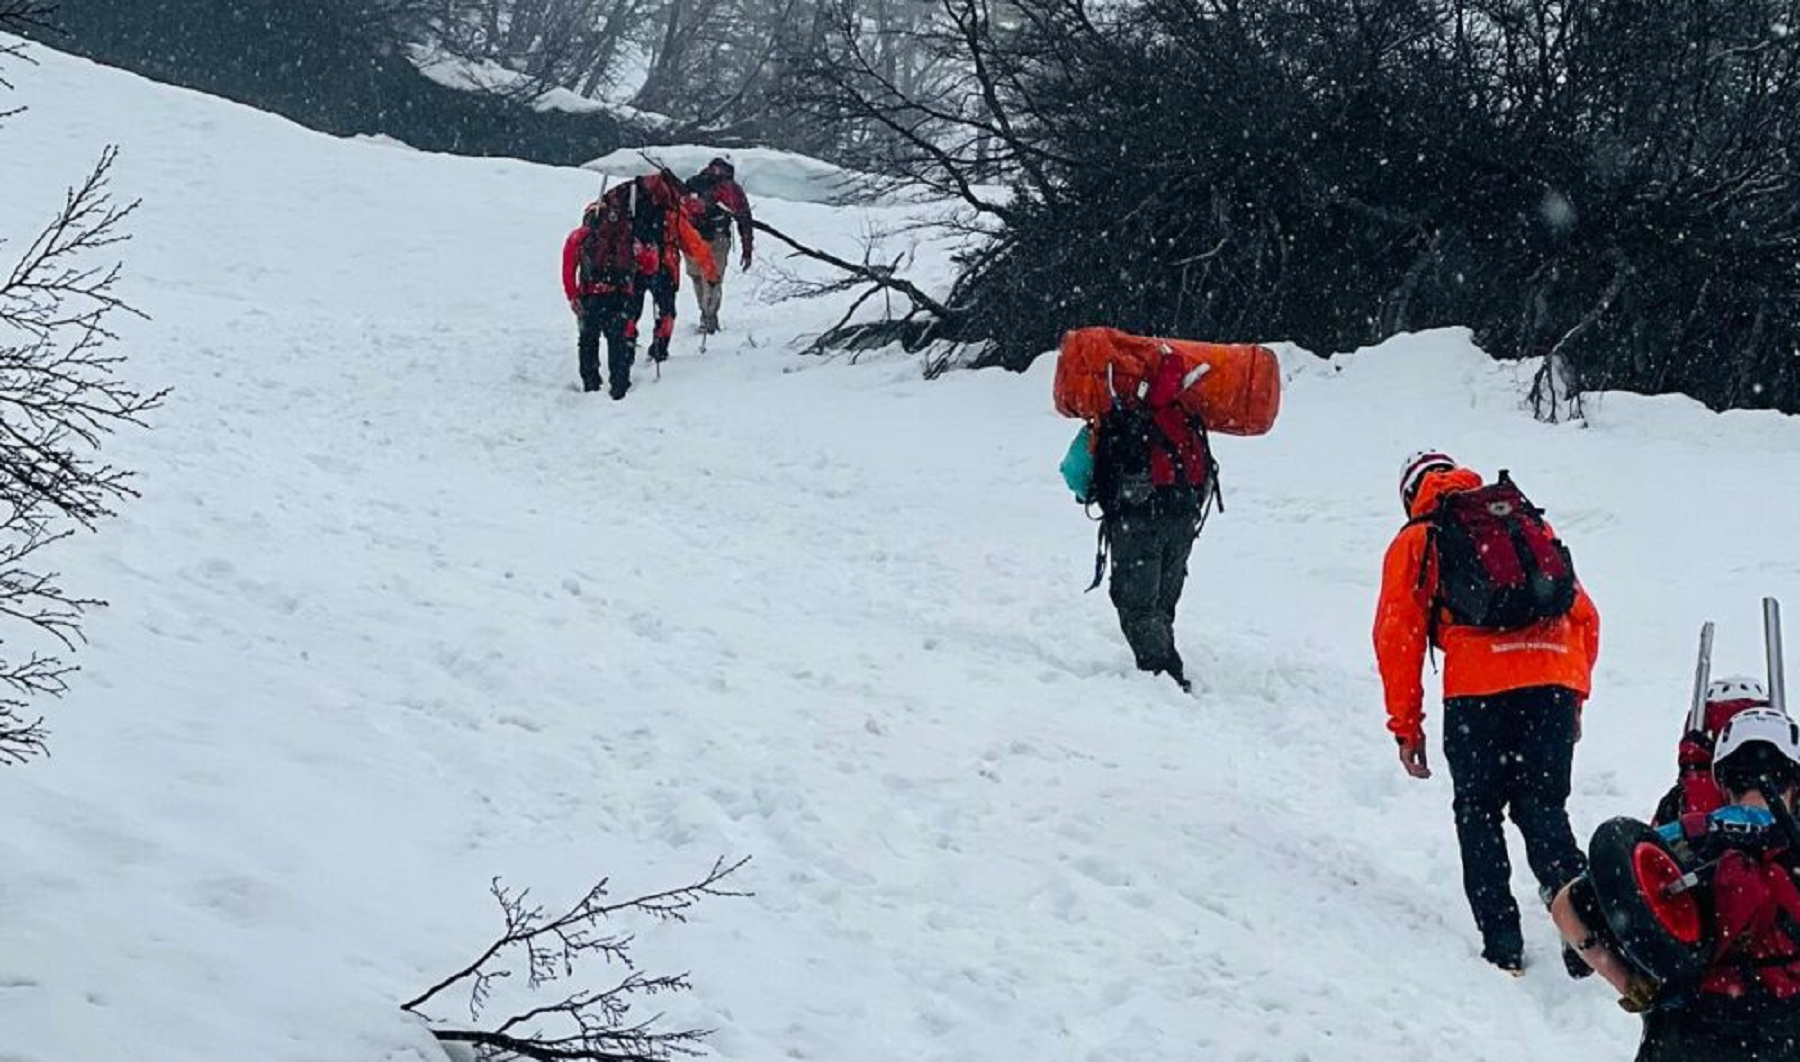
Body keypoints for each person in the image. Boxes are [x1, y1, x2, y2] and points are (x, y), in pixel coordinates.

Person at [1373, 450, 1600, 972]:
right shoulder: (1523, 519)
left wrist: (1407, 727)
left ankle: (1503, 945)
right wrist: (1575, 696)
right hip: (1553, 679)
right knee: (1544, 807)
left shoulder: (1420, 537)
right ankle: (1584, 935)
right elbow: (1584, 614)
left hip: (1479, 689)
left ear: (1412, 494)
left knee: (1478, 812)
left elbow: (1397, 639)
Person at [1551, 707, 1800, 1060]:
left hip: (1686, 1039)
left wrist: (1631, 985)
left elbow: (1567, 908)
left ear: (1723, 782)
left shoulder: (1678, 839)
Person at [1061, 351, 1218, 692]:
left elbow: (1076, 473)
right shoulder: (1183, 411)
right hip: (1183, 519)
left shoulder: (1123, 415)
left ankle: (1164, 679)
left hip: (1140, 521)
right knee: (1161, 603)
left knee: (1136, 603)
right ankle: (1164, 666)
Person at [614, 169, 719, 368]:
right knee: (658, 311)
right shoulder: (670, 206)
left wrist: (710, 270)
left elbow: (693, 242)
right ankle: (655, 348)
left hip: (638, 266)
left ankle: (636, 346)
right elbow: (693, 242)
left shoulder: (627, 198)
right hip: (659, 266)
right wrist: (710, 271)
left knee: (635, 311)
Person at [560, 198, 638, 397]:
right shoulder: (623, 235)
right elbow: (644, 263)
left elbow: (568, 269)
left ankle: (591, 382)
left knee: (587, 340)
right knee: (617, 340)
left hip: (589, 296)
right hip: (618, 295)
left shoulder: (578, 237)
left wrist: (573, 296)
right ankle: (619, 384)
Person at [684, 157, 754, 334]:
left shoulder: (693, 183)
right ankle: (709, 316)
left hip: (693, 238)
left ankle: (706, 313)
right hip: (717, 237)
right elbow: (744, 218)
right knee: (712, 278)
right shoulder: (731, 189)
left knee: (697, 276)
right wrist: (747, 249)